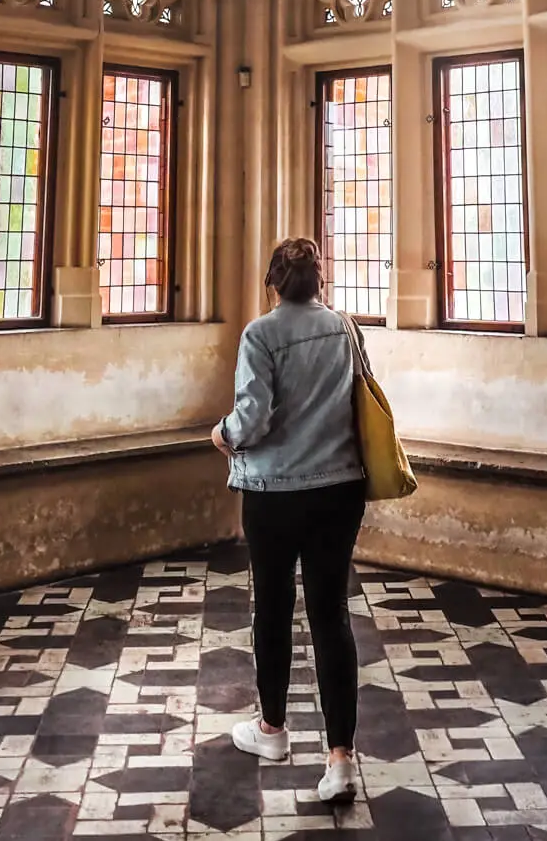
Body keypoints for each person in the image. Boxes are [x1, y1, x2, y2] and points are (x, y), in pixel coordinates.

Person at [210, 235, 367, 805]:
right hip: (339, 490)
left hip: (274, 492)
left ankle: (272, 731)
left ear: (273, 284)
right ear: (319, 282)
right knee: (331, 615)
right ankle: (340, 760)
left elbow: (250, 419)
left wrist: (221, 435)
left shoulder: (261, 333)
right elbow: (363, 398)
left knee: (272, 608)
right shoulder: (345, 329)